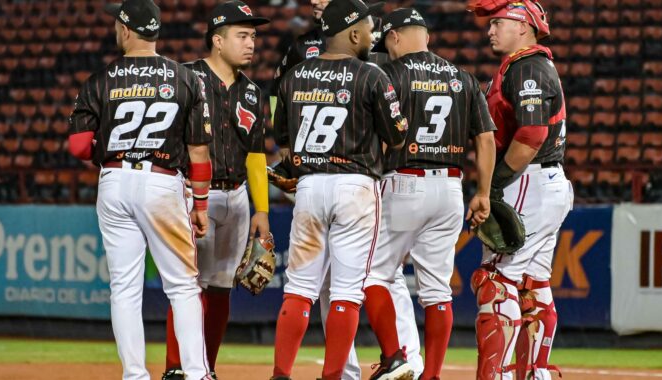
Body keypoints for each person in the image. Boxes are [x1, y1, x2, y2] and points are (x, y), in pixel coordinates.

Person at [272, 1, 424, 377]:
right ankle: (333, 375)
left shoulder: (295, 76)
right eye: (369, 30)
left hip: (308, 187)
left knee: (299, 289)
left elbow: (283, 139)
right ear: (354, 33)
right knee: (346, 292)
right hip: (356, 187)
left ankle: (280, 374)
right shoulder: (372, 76)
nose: (373, 37)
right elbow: (398, 134)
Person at [67, 1, 213, 379]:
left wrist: (108, 151)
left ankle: (135, 374)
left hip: (114, 179)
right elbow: (199, 151)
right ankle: (197, 374)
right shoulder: (185, 78)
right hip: (163, 180)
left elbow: (79, 146)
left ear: (128, 30)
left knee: (124, 289)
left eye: (118, 23)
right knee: (182, 287)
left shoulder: (101, 79)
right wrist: (200, 203)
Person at [363, 8, 496, 380]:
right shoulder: (463, 78)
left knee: (371, 275)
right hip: (451, 187)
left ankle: (395, 357)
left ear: (393, 37)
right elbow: (486, 138)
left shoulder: (387, 74)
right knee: (437, 291)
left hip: (404, 180)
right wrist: (482, 192)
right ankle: (432, 374)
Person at [161, 2, 270, 379]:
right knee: (188, 285)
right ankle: (177, 368)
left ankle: (205, 369)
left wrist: (262, 211)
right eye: (243, 35)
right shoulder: (184, 78)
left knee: (222, 286)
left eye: (253, 35)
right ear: (218, 41)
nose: (251, 43)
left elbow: (256, 155)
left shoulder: (254, 93)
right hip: (193, 194)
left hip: (238, 195)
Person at [467, 1, 573, 379]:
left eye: (498, 22)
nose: (490, 30)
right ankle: (535, 372)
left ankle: (495, 374)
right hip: (547, 180)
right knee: (533, 283)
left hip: (527, 178)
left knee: (495, 280)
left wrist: (493, 183)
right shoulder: (529, 65)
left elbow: (531, 133)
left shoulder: (527, 66)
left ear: (524, 26)